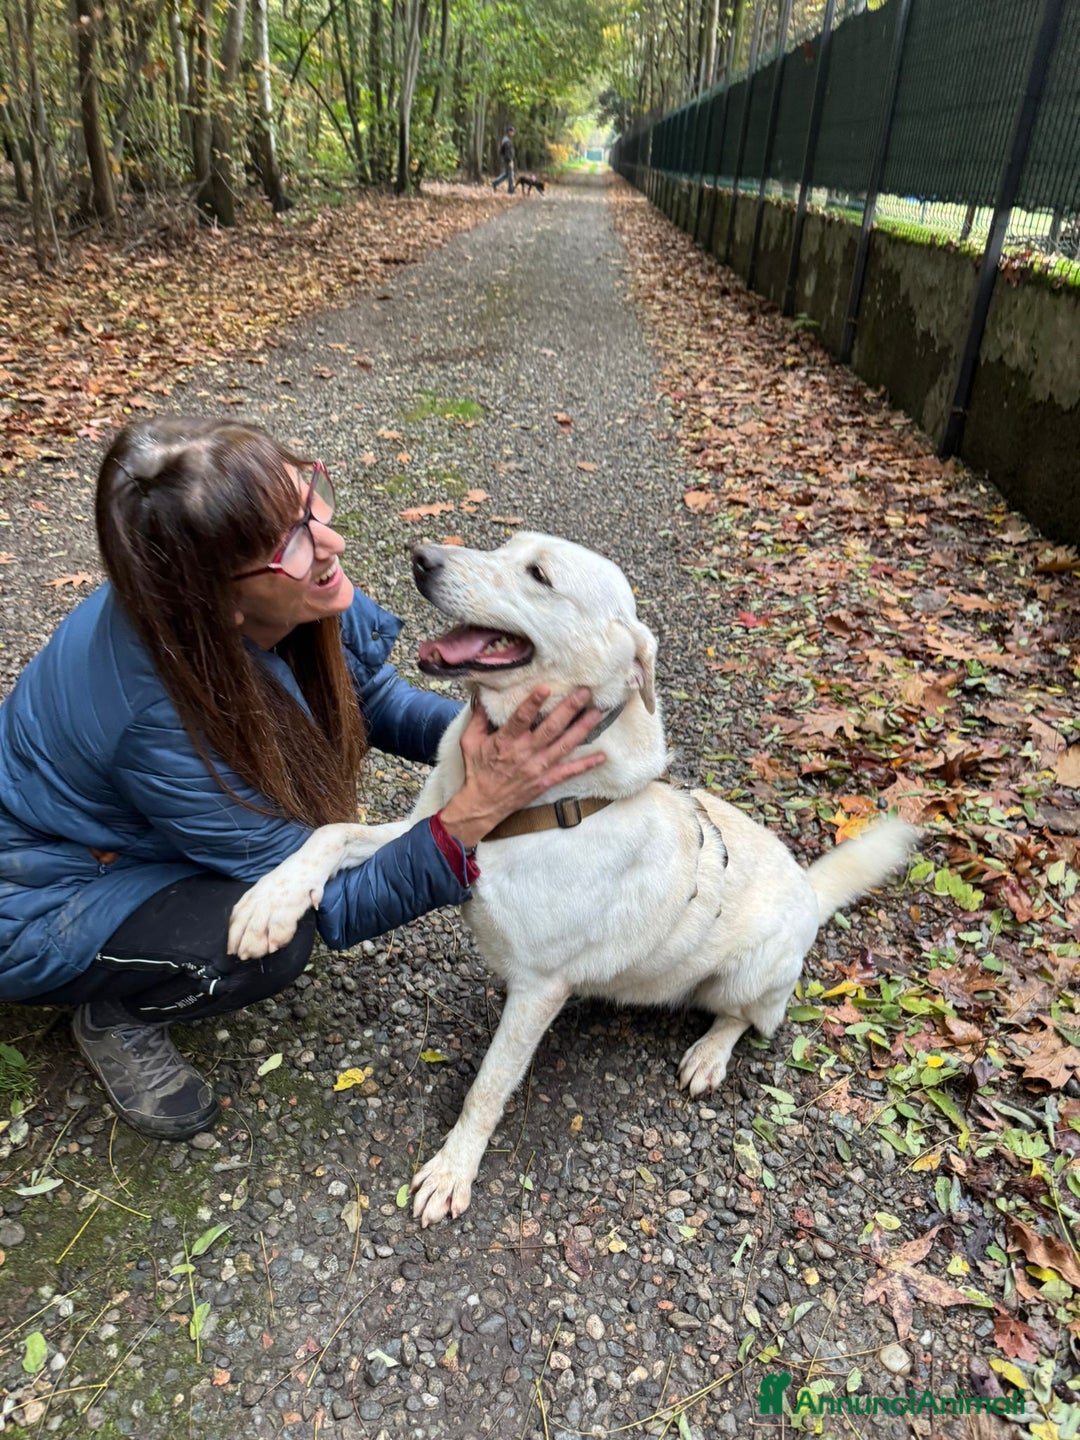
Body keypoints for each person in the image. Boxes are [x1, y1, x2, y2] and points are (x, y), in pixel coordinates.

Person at [0, 417, 605, 1141]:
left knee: (274, 893)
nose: (331, 539)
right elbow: (335, 903)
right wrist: (475, 811)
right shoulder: (153, 715)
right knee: (267, 942)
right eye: (290, 540)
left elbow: (367, 697)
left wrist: (494, 741)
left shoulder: (286, 594)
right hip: (43, 896)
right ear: (220, 601)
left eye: (308, 498)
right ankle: (119, 1011)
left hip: (138, 832)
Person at [492, 126, 515, 193]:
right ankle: (510, 190)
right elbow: (507, 153)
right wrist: (510, 160)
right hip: (508, 160)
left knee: (506, 174)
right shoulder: (507, 141)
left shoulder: (504, 139)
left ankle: (495, 183)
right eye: (512, 131)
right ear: (509, 132)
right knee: (510, 175)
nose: (513, 133)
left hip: (505, 159)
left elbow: (501, 151)